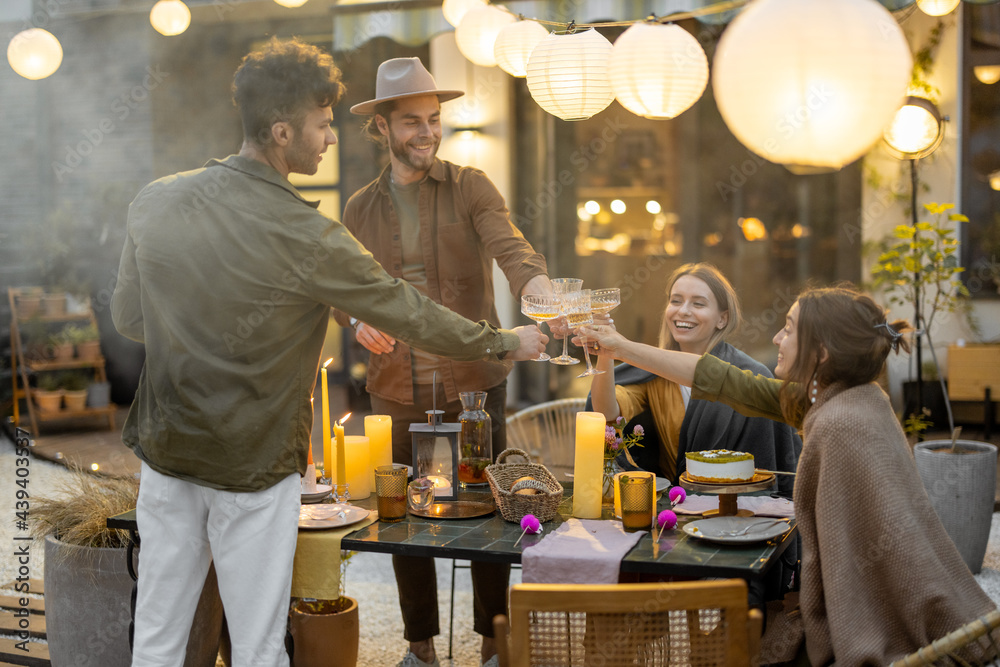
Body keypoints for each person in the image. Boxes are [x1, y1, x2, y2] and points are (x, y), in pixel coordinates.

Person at [111, 39, 546, 667]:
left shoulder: (154, 200)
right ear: (282, 131)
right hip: (252, 467)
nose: (330, 140)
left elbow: (129, 317)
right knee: (259, 645)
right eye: (321, 126)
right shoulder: (309, 232)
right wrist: (506, 341)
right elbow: (409, 311)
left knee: (156, 634)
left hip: (166, 457)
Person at [580, 285, 998, 665]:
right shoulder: (845, 397)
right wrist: (617, 347)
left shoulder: (840, 423)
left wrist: (822, 614)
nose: (777, 339)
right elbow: (725, 382)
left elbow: (856, 552)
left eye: (788, 329)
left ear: (821, 352)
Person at [330, 57, 551, 667]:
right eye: (411, 122)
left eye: (433, 120)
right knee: (404, 521)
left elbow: (514, 252)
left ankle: (490, 645)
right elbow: (339, 287)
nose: (426, 132)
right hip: (395, 389)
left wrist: (541, 295)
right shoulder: (357, 210)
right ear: (382, 128)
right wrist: (356, 319)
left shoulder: (471, 186)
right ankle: (418, 647)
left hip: (475, 382)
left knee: (489, 514)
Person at [588, 263, 800, 497]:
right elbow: (606, 414)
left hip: (738, 509)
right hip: (675, 507)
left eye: (698, 303)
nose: (683, 311)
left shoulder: (749, 374)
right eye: (676, 301)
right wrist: (604, 354)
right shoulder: (652, 375)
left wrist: (621, 347)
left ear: (722, 319)